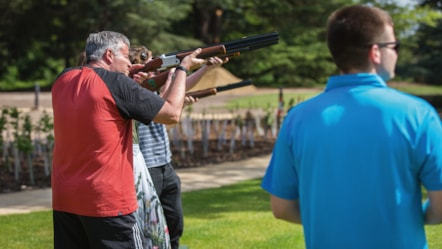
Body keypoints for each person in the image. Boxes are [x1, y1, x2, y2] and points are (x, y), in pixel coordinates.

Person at [261, 4, 442, 249]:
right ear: (375, 52)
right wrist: (414, 217)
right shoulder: (419, 115)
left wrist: (333, 221)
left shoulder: (298, 118)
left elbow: (282, 207)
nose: (397, 53)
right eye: (395, 46)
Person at [51, 31, 205, 249]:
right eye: (126, 57)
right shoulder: (116, 83)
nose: (129, 63)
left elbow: (99, 85)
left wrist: (129, 73)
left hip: (65, 198)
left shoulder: (63, 79)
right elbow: (171, 114)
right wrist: (182, 68)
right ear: (109, 55)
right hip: (108, 201)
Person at [131, 45, 227, 249]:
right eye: (146, 64)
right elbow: (165, 102)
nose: (152, 72)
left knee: (175, 220)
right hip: (147, 167)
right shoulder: (133, 91)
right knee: (150, 224)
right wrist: (177, 72)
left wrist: (204, 69)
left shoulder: (150, 86)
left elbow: (180, 89)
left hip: (165, 163)